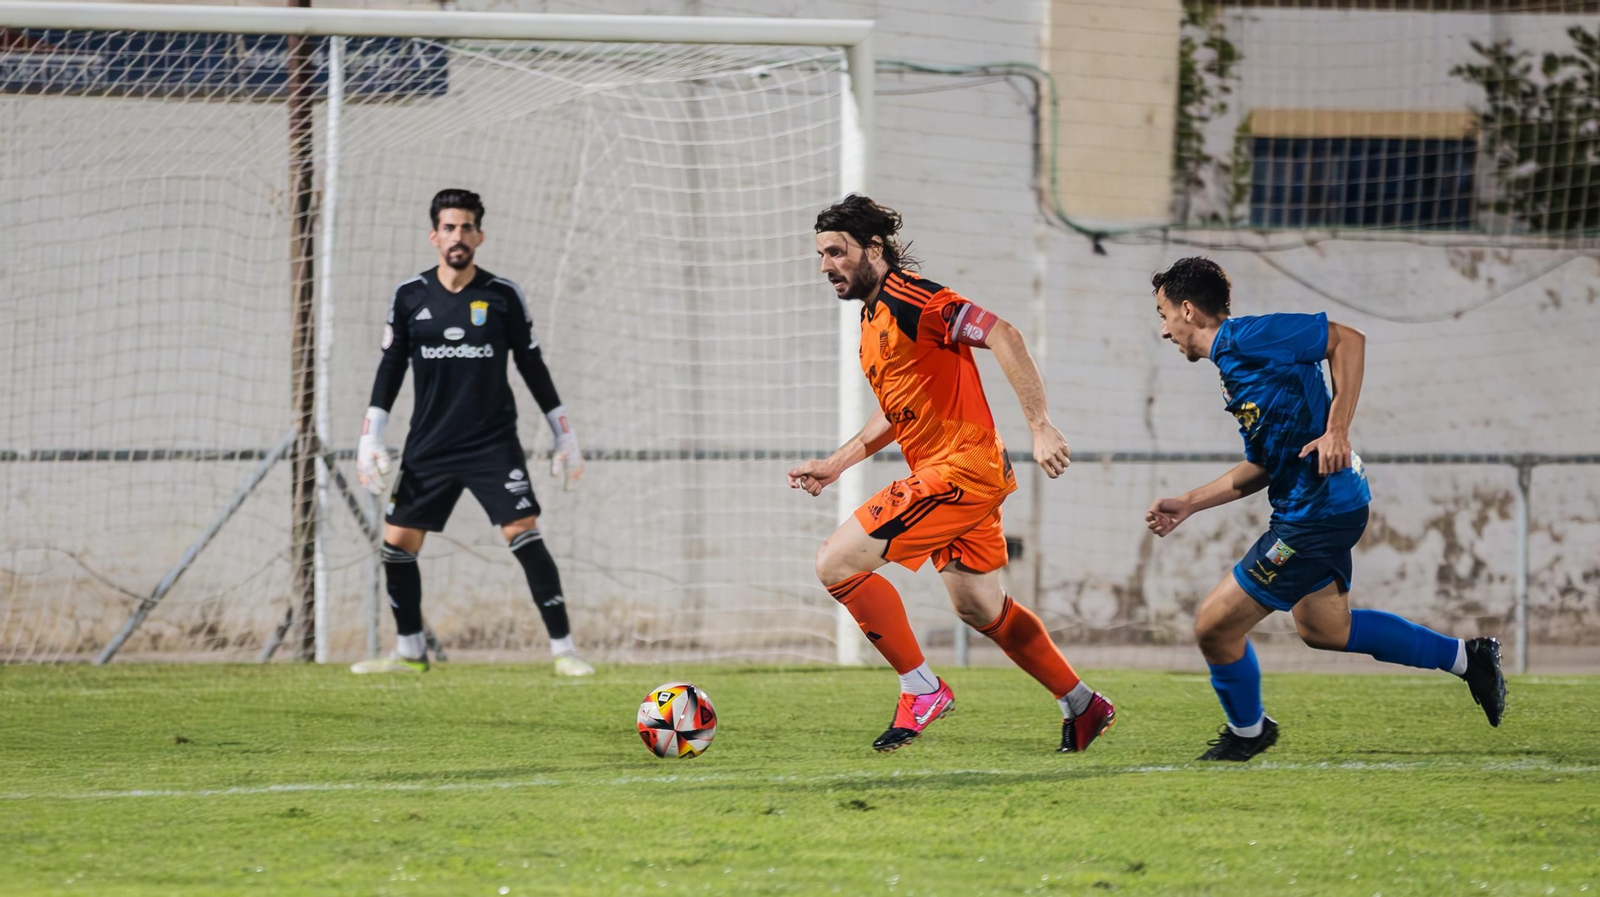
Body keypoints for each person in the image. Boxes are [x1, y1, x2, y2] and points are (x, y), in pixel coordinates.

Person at [1144, 256, 1506, 761]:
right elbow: (1264, 466)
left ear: (1187, 310)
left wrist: (1337, 429)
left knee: (1214, 625)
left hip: (1314, 514)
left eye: (1163, 315)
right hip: (1323, 506)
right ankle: (1468, 659)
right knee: (1325, 629)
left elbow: (1347, 340)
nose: (1164, 330)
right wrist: (1189, 503)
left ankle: (1248, 733)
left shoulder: (1248, 337)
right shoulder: (1232, 367)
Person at [789, 195, 1114, 753]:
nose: (826, 266)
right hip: (957, 475)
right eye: (821, 254)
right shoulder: (872, 320)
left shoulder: (913, 299)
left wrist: (1040, 425)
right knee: (979, 607)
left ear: (873, 248)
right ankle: (1083, 704)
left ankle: (922, 689)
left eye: (837, 252)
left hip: (961, 470)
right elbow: (896, 410)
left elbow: (1003, 334)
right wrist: (836, 464)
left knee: (835, 562)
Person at [351, 188, 593, 677]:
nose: (457, 236)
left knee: (523, 531)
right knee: (397, 545)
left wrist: (564, 434)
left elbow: (532, 365)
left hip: (491, 444)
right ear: (433, 236)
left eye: (466, 227)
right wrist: (369, 437)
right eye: (449, 227)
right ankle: (410, 651)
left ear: (479, 236)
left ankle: (565, 651)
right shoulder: (410, 296)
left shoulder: (502, 295)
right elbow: (391, 367)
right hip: (429, 445)